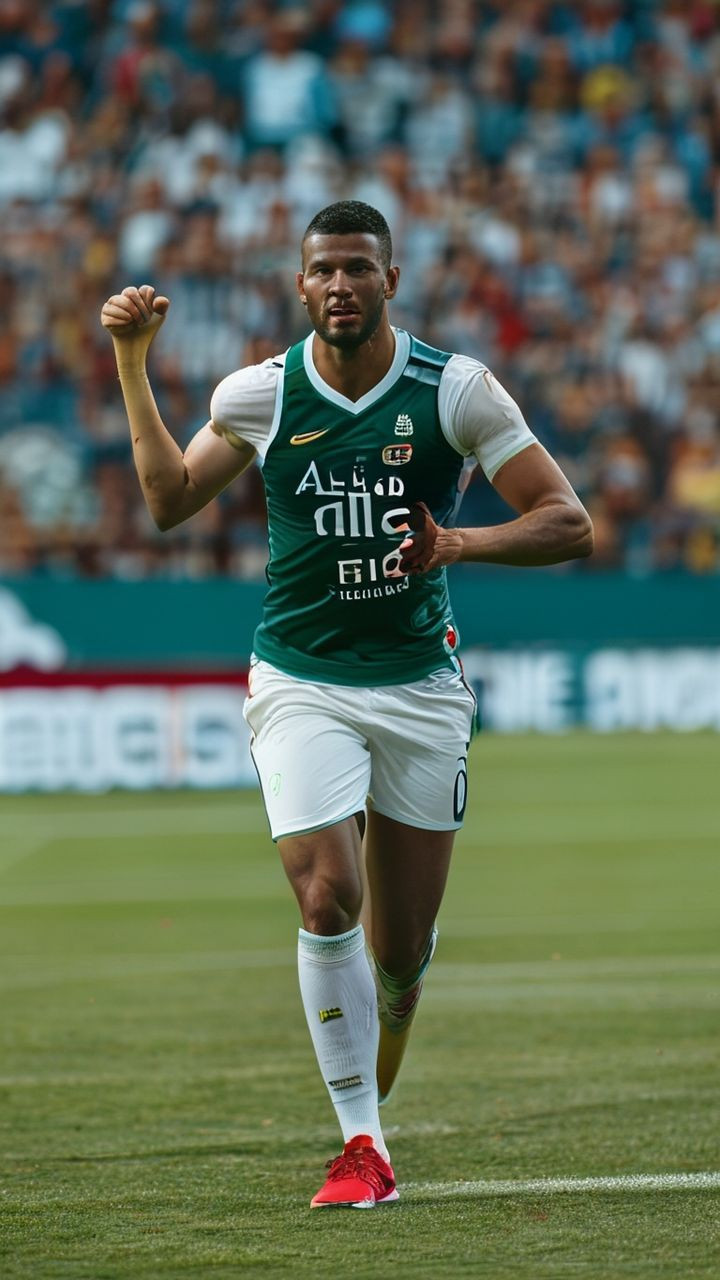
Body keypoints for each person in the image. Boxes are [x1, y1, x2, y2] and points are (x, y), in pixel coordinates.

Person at [100, 200, 593, 1209]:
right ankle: (362, 1144)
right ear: (300, 284)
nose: (339, 285)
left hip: (419, 689)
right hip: (302, 679)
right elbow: (167, 500)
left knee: (398, 956)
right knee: (327, 893)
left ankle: (391, 1016)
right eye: (322, 269)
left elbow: (567, 521)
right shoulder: (261, 393)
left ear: (389, 281)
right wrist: (133, 363)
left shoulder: (454, 391)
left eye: (358, 268)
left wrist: (458, 544)